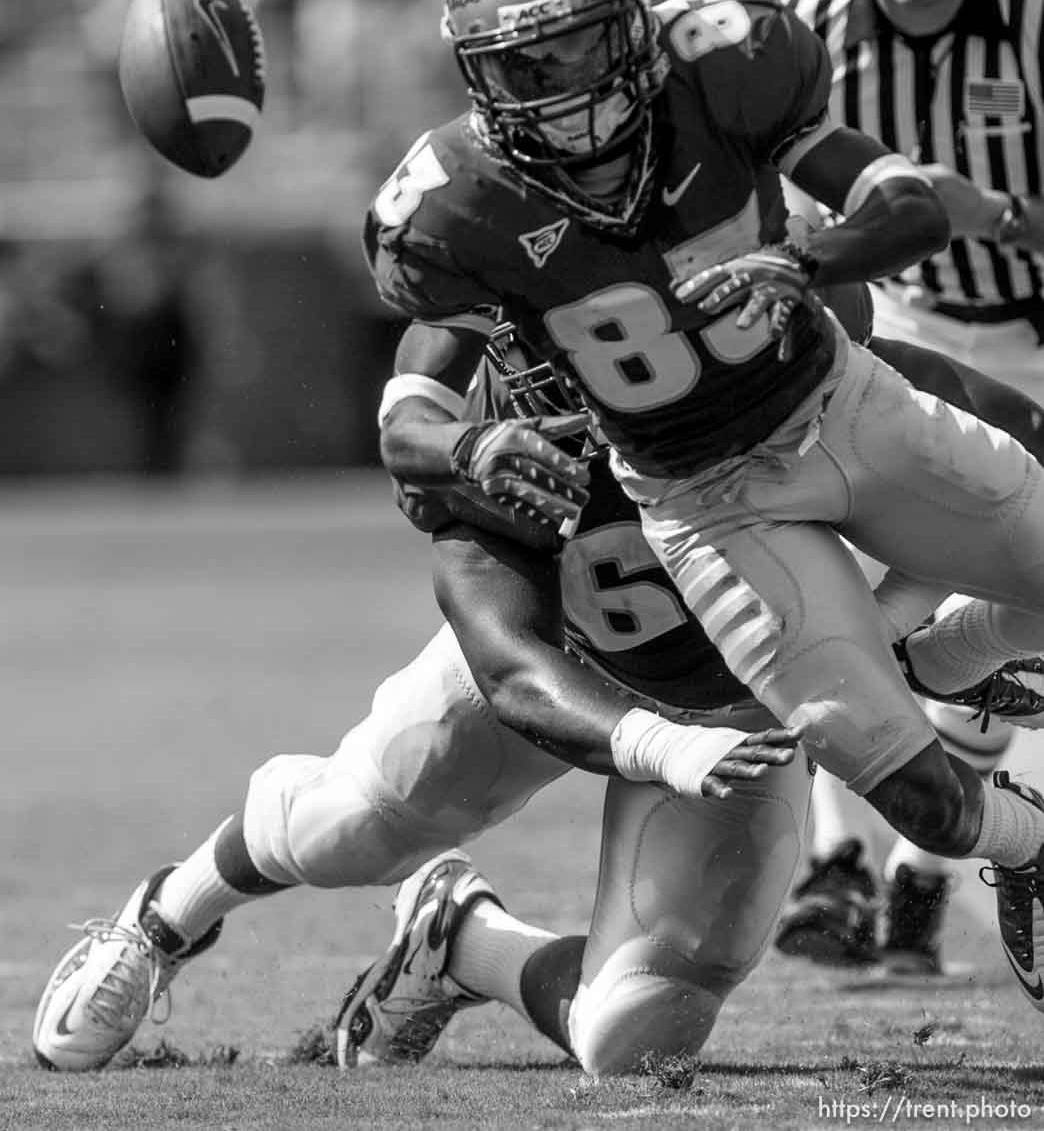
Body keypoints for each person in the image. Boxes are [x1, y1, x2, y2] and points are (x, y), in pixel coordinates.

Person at [31, 314, 1044, 1078]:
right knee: (349, 825)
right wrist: (658, 744)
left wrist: (962, 628)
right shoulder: (521, 452)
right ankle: (166, 914)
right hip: (580, 675)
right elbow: (516, 671)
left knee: (634, 1035)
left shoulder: (816, 371)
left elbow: (997, 456)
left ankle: (459, 938)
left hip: (741, 717)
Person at [365, 0, 1044, 1015]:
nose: (568, 96)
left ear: (633, 23)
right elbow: (408, 415)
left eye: (583, 47)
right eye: (527, 67)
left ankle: (936, 658)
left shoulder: (727, 67)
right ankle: (1028, 842)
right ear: (478, 75)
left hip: (842, 405)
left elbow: (906, 206)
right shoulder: (456, 208)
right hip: (704, 505)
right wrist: (471, 449)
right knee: (920, 802)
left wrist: (807, 265)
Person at [773, 0, 1044, 975]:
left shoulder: (1036, 18)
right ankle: (844, 868)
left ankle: (927, 871)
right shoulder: (803, 25)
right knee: (834, 565)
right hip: (899, 328)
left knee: (1001, 596)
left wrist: (999, 217)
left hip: (1035, 326)